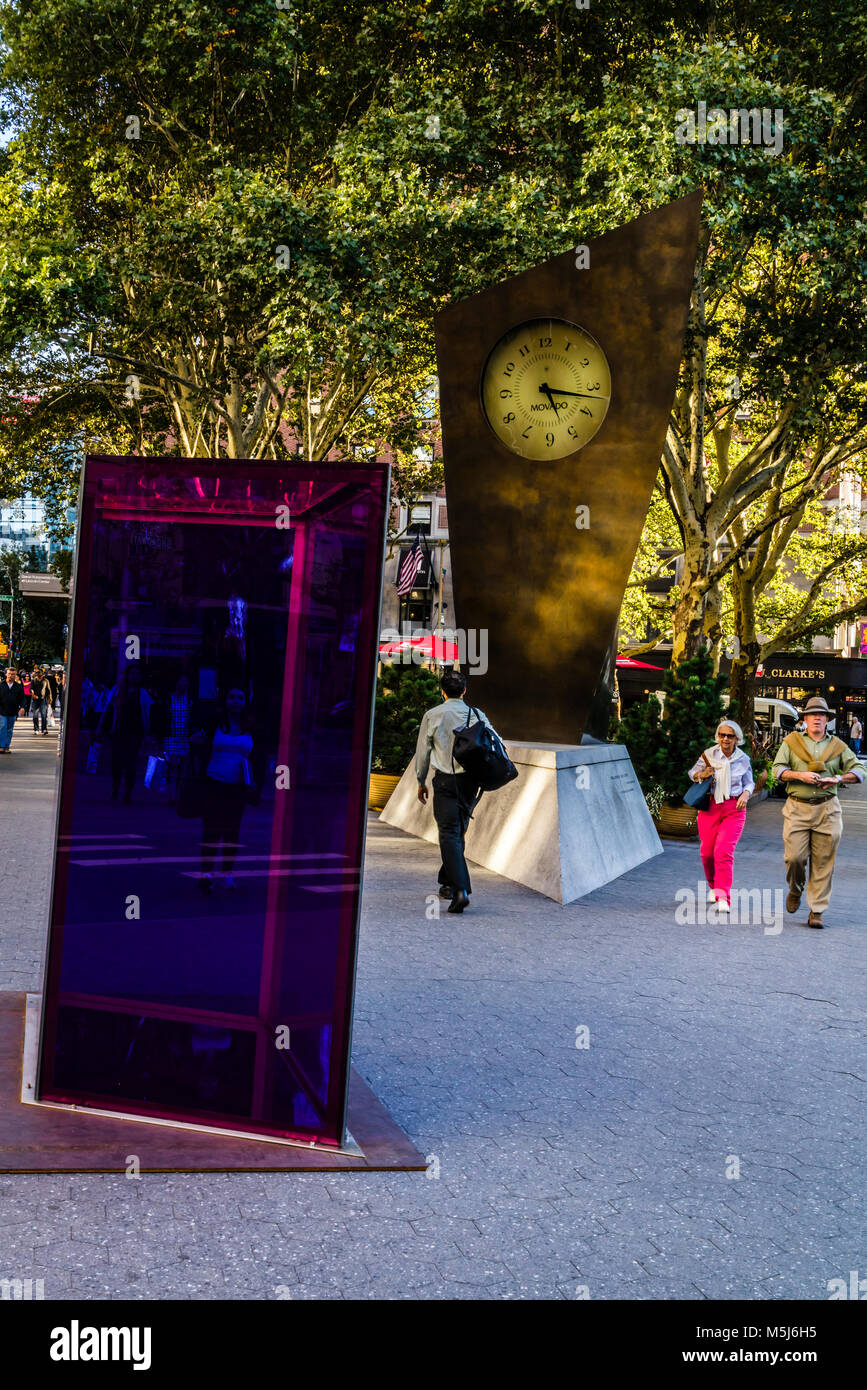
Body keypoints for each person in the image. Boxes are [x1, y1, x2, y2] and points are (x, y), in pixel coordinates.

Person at [771, 695, 866, 928]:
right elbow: (777, 769)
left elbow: (860, 769)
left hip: (828, 809)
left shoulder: (838, 746)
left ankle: (817, 910)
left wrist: (839, 777)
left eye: (821, 715)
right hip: (797, 808)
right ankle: (795, 889)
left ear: (827, 720)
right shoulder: (791, 741)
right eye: (812, 714)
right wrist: (798, 775)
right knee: (794, 858)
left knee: (824, 862)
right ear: (804, 719)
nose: (816, 718)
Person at [415, 667, 497, 914]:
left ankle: (461, 890)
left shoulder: (433, 715)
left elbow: (423, 753)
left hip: (445, 782)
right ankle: (448, 883)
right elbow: (495, 740)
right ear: (464, 690)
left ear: (442, 692)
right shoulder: (477, 714)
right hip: (471, 782)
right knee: (457, 830)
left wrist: (421, 781)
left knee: (449, 832)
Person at [197, 686, 261, 893]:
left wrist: (256, 784)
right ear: (225, 701)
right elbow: (200, 744)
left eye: (240, 697)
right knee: (211, 830)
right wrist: (196, 742)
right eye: (232, 697)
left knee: (232, 831)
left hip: (238, 787)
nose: (236, 701)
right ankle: (206, 874)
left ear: (245, 702)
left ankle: (226, 874)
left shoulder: (251, 727)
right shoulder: (214, 724)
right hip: (213, 782)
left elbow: (258, 757)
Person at [688, 720, 754, 913]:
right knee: (707, 854)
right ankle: (713, 885)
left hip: (734, 808)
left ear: (737, 739)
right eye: (722, 735)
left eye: (730, 736)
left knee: (723, 853)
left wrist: (745, 794)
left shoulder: (743, 759)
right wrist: (703, 773)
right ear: (718, 736)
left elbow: (749, 783)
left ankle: (723, 896)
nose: (726, 739)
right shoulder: (709, 755)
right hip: (710, 807)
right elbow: (692, 773)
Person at [96, 665, 154, 803]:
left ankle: (127, 792)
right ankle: (115, 790)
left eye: (137, 673)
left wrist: (148, 732)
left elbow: (148, 713)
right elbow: (107, 709)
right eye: (132, 673)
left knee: (131, 764)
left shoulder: (142, 693)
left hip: (135, 733)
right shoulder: (117, 690)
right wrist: (100, 727)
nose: (134, 676)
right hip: (118, 731)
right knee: (116, 763)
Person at [0, 668, 25, 753]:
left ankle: (6, 747)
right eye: (9, 673)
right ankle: (1, 746)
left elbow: (22, 698)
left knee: (9, 730)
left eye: (13, 674)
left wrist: (22, 707)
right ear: (6, 674)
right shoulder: (1, 685)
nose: (11, 675)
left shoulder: (18, 686)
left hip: (13, 711)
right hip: (2, 711)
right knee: (2, 727)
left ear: (15, 675)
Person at [31, 669, 52, 735]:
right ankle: (36, 729)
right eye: (36, 673)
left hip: (43, 699)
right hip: (35, 699)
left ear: (42, 674)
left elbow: (48, 690)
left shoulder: (46, 681)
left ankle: (44, 729)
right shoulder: (33, 680)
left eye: (39, 672)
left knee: (43, 715)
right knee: (35, 715)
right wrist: (33, 694)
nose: (37, 674)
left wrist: (50, 698)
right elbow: (31, 689)